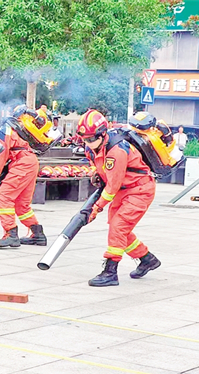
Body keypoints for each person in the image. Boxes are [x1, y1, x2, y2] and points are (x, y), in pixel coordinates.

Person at [77, 109, 160, 287]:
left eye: (91, 139)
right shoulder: (92, 147)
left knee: (118, 226)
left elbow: (112, 187)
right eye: (85, 139)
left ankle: (110, 272)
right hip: (124, 189)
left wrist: (96, 208)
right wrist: (95, 173)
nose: (88, 143)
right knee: (119, 228)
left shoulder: (117, 150)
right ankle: (147, 259)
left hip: (139, 190)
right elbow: (97, 165)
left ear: (102, 134)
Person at [0, 105, 47, 248]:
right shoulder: (9, 130)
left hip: (22, 164)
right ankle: (37, 234)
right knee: (22, 204)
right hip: (30, 162)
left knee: (4, 196)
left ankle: (10, 234)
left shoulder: (0, 135)